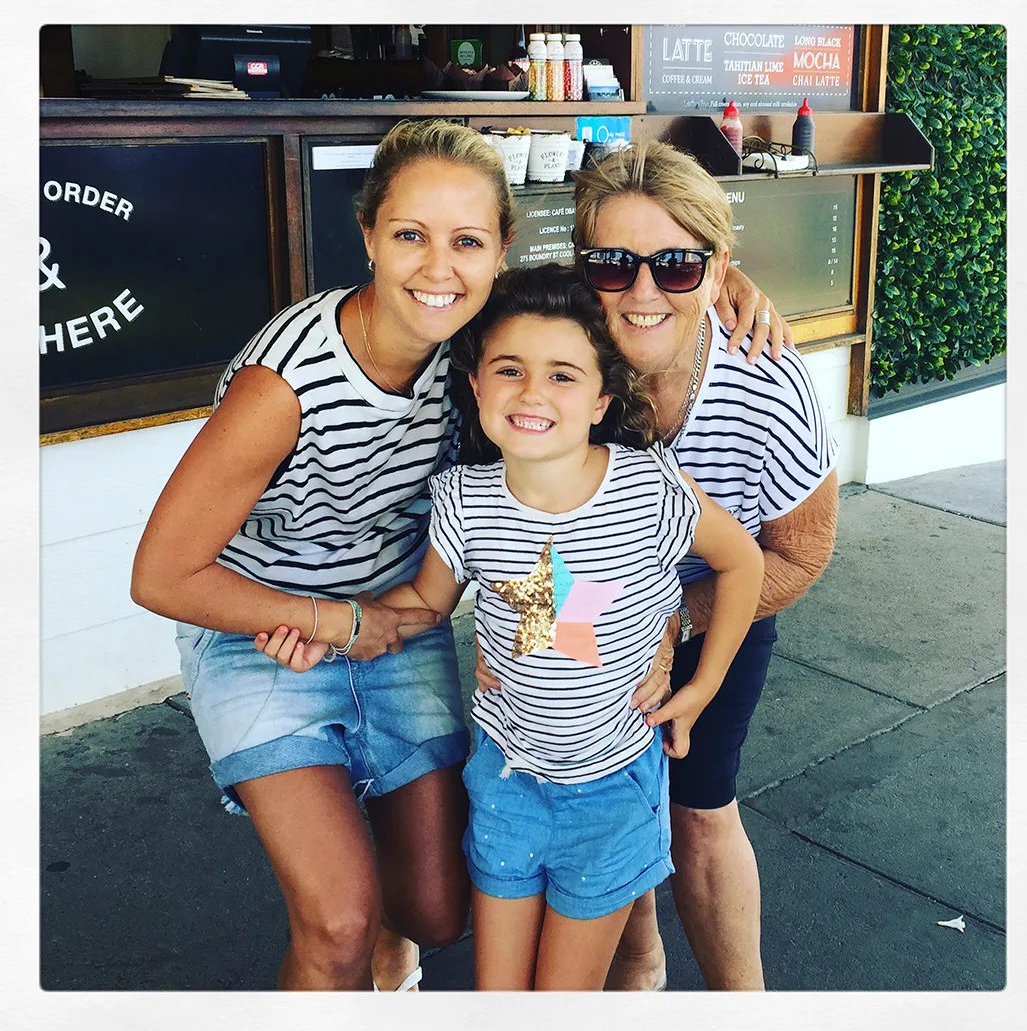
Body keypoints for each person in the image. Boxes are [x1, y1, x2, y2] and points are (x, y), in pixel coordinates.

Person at [129, 117, 794, 993]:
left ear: (499, 252)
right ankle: (354, 914)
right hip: (264, 626)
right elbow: (161, 575)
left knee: (441, 914)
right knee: (338, 921)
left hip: (402, 617)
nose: (439, 269)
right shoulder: (282, 386)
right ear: (367, 235)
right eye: (409, 235)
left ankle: (394, 925)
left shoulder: (475, 342)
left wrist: (712, 275)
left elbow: (595, 303)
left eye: (467, 242)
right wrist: (316, 618)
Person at [256, 264, 764, 990]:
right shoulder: (463, 500)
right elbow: (422, 605)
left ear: (601, 400)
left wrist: (705, 683)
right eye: (509, 369)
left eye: (563, 375)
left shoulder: (650, 488)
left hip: (612, 792)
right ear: (476, 388)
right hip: (505, 784)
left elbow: (743, 564)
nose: (532, 393)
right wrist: (325, 627)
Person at [574, 141, 840, 991]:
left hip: (726, 598)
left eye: (678, 264)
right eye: (613, 265)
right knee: (590, 796)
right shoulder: (553, 347)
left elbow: (802, 550)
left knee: (700, 809)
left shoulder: (770, 381)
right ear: (582, 268)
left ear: (719, 264)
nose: (643, 290)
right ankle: (639, 958)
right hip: (571, 592)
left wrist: (671, 620)